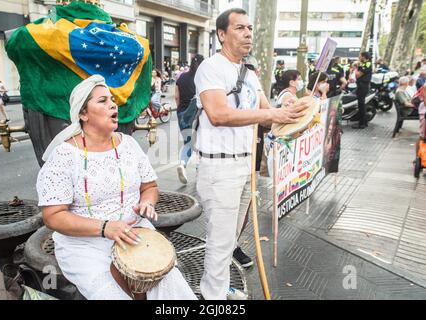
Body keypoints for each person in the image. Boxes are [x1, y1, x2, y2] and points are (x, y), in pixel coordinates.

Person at [36, 75, 196, 300]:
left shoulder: (128, 144)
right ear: (83, 114)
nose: (112, 104)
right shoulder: (64, 156)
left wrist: (147, 202)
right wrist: (105, 228)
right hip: (85, 246)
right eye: (102, 101)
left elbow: (149, 186)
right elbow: (53, 217)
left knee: (172, 290)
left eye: (112, 99)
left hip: (135, 234)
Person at [194, 8, 308, 300]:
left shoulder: (250, 75)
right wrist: (271, 112)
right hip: (219, 168)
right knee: (219, 241)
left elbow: (268, 116)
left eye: (249, 28)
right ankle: (213, 297)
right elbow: (218, 114)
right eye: (239, 28)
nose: (247, 33)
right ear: (222, 34)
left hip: (246, 166)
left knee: (230, 238)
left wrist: (295, 108)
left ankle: (217, 287)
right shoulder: (211, 67)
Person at [175, 54, 204, 184]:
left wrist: (182, 112)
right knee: (200, 142)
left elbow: (176, 97)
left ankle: (182, 163)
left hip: (182, 113)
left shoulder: (181, 77)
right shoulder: (203, 78)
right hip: (197, 115)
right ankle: (199, 170)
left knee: (188, 142)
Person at [353, 51, 372, 129]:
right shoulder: (365, 64)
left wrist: (356, 68)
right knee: (361, 105)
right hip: (361, 86)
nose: (359, 58)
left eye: (360, 56)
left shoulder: (367, 64)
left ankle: (362, 124)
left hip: (363, 86)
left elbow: (357, 75)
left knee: (361, 105)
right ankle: (363, 122)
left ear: (364, 57)